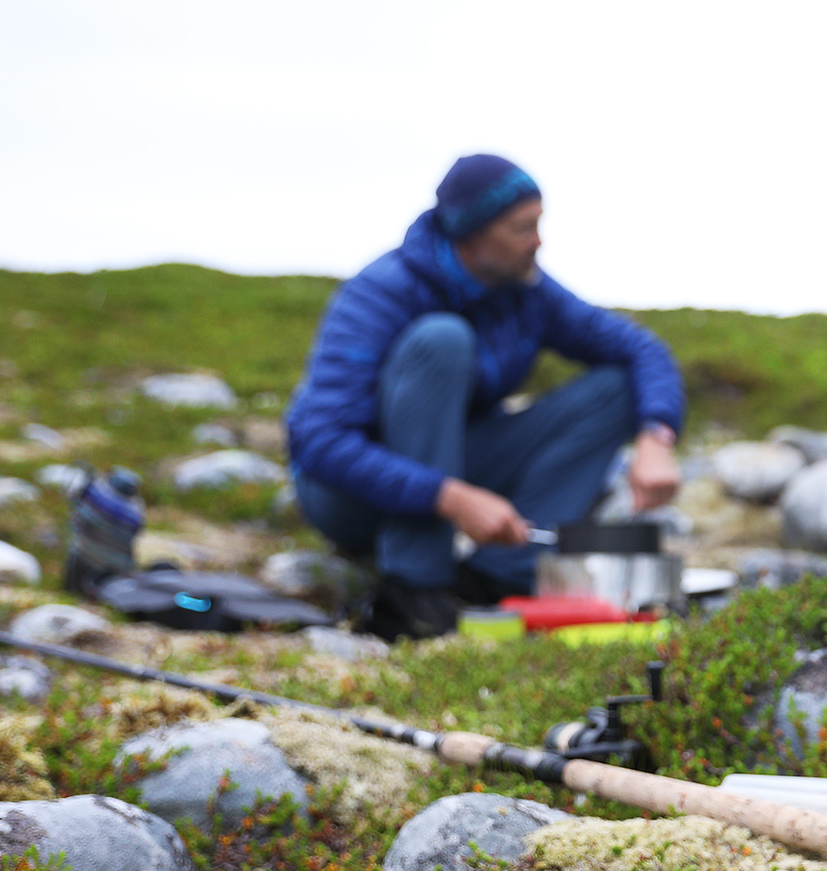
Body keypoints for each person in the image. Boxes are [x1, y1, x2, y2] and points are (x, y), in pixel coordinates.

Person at [285, 155, 686, 640]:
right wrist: (449, 498)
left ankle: (495, 576)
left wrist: (656, 436)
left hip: (458, 466)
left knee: (617, 388)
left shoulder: (527, 291)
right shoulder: (382, 292)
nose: (538, 241)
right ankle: (413, 588)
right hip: (349, 499)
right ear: (471, 234)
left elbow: (641, 349)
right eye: (522, 227)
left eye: (538, 224)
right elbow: (318, 441)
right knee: (442, 340)